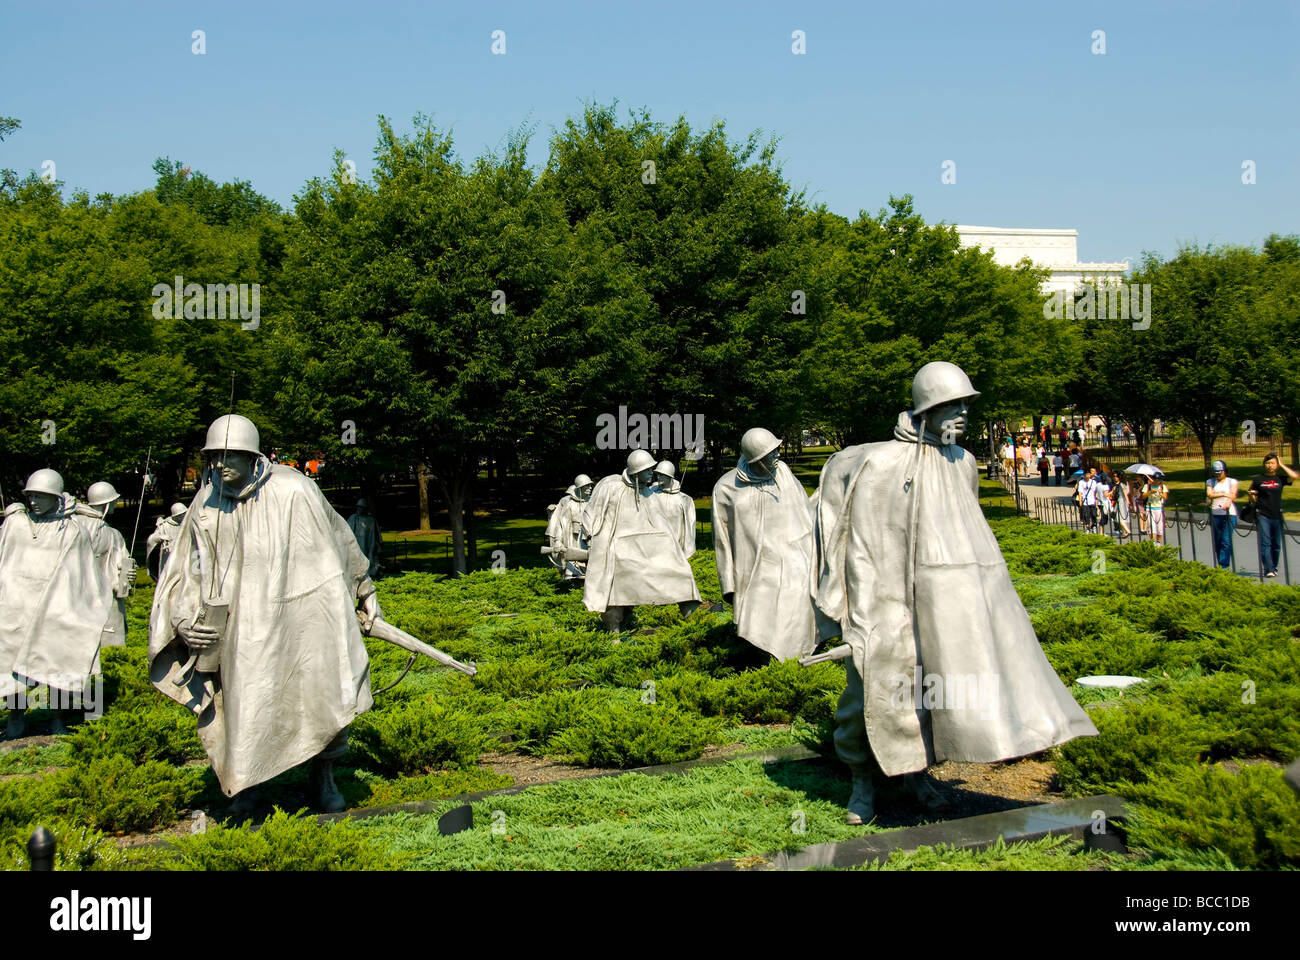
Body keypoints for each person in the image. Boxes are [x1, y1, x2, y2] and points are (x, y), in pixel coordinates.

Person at [814, 362, 1096, 825]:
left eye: (965, 403)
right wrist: (854, 614)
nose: (963, 413)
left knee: (932, 697)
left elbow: (970, 537)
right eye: (951, 405)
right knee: (867, 697)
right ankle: (861, 784)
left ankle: (918, 776)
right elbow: (852, 543)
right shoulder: (878, 462)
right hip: (883, 606)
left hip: (947, 607)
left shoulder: (962, 463)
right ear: (926, 410)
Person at [149, 415, 380, 813]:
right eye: (214, 457)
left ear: (253, 457)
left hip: (302, 616)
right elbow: (183, 569)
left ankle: (322, 777)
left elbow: (337, 537)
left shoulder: (295, 489)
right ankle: (245, 784)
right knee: (244, 702)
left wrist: (363, 587)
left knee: (319, 694)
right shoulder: (205, 502)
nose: (221, 465)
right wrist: (184, 620)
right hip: (241, 628)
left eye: (231, 456)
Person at [0, 470, 111, 739]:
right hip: (17, 608)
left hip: (54, 606)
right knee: (14, 667)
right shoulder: (16, 526)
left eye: (41, 496)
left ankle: (58, 716)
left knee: (57, 661)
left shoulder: (72, 531)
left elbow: (81, 574)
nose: (34, 501)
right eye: (31, 496)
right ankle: (16, 717)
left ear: (56, 497)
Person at [712, 428, 820, 662]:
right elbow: (721, 541)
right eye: (770, 454)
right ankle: (767, 658)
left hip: (794, 558)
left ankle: (797, 658)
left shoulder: (783, 473)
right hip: (755, 568)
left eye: (776, 450)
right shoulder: (726, 488)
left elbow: (803, 511)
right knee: (763, 618)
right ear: (756, 459)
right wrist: (728, 584)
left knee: (797, 610)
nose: (777, 456)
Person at [582, 450, 700, 633]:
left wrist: (673, 550)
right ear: (636, 471)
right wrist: (589, 537)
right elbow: (593, 513)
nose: (652, 473)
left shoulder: (649, 493)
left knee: (681, 571)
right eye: (648, 470)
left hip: (650, 550)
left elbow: (662, 526)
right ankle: (613, 630)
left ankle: (695, 622)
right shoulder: (612, 488)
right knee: (614, 586)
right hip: (621, 551)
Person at [76, 481, 135, 650]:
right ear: (107, 504)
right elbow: (122, 568)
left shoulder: (72, 524)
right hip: (103, 598)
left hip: (74, 596)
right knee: (108, 648)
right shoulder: (109, 533)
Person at [1249, 452, 1297, 579]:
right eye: (1267, 463)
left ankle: (1274, 567)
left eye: (1272, 463)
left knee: (1276, 544)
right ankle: (1268, 569)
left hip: (1277, 515)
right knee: (1265, 542)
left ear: (1276, 465)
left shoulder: (1280, 479)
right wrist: (1251, 496)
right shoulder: (1258, 480)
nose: (1270, 465)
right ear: (1264, 464)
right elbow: (1253, 498)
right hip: (1263, 514)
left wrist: (1282, 464)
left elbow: (1294, 476)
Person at [545, 474, 594, 586]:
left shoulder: (593, 502)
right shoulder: (569, 503)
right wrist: (557, 540)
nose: (590, 488)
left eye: (591, 486)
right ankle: (570, 582)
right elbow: (561, 525)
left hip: (589, 539)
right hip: (572, 538)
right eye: (587, 486)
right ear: (580, 488)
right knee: (572, 566)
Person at [650, 460, 696, 558]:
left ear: (669, 476)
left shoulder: (682, 500)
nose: (658, 477)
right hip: (655, 543)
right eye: (658, 474)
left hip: (675, 544)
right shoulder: (652, 493)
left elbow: (688, 526)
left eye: (662, 475)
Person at [1205, 460, 1239, 569]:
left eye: (1220, 472)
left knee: (1226, 540)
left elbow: (1233, 494)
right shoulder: (1210, 482)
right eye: (1216, 472)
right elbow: (1209, 494)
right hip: (1216, 512)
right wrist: (1224, 494)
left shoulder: (1232, 481)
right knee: (1218, 541)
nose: (1218, 474)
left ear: (1225, 471)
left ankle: (1224, 565)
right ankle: (1220, 562)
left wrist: (1228, 501)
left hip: (1229, 514)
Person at [146, 502, 188, 580]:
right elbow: (151, 540)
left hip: (184, 558)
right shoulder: (164, 526)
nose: (185, 516)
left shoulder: (186, 524)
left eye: (185, 513)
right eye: (182, 514)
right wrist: (160, 537)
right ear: (177, 516)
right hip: (169, 558)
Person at [347, 498, 383, 580]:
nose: (359, 509)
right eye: (358, 507)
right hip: (356, 543)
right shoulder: (353, 518)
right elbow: (346, 531)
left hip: (368, 544)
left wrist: (378, 544)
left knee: (368, 558)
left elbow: (378, 536)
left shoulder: (371, 520)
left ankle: (370, 573)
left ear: (365, 508)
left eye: (361, 507)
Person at [1143, 473, 1170, 544]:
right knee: (1152, 527)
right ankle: (1153, 542)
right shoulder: (1147, 486)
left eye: (1159, 480)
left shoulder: (1162, 486)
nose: (1158, 482)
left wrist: (1161, 493)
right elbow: (1143, 496)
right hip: (1150, 508)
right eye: (1156, 480)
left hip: (1159, 508)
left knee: (1160, 528)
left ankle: (1158, 542)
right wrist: (1150, 492)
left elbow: (1165, 497)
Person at [1077, 468, 1103, 534]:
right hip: (1085, 501)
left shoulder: (1093, 482)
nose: (1088, 476)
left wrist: (1096, 501)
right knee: (1086, 515)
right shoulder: (1081, 482)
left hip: (1092, 501)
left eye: (1089, 474)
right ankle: (1088, 527)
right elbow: (1080, 492)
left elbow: (1095, 492)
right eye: (1087, 474)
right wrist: (1080, 501)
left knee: (1094, 514)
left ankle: (1093, 526)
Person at [1111, 472, 1132, 539]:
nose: (1115, 478)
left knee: (1119, 518)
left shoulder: (1122, 484)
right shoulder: (1122, 484)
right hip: (1121, 501)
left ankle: (1127, 531)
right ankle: (1124, 532)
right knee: (1120, 517)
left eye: (1116, 476)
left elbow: (1125, 493)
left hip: (1121, 501)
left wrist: (1128, 502)